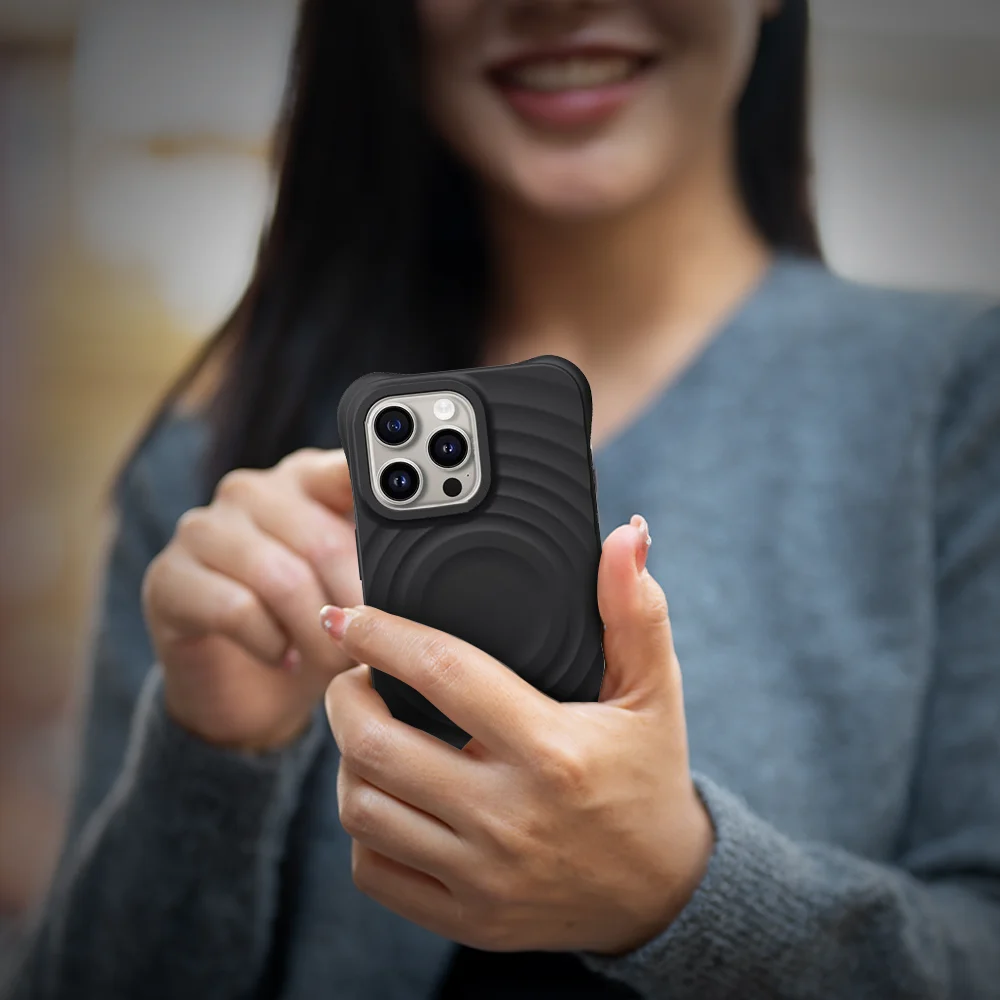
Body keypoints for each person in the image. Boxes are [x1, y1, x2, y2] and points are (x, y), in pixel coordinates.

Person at [10, 1, 1000, 997]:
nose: (557, 3)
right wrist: (210, 757)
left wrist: (681, 892)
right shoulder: (218, 483)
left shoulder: (961, 404)